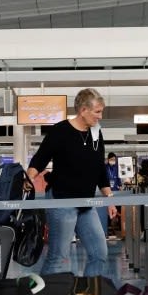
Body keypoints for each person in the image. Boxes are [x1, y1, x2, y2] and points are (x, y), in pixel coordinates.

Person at [25, 88, 118, 277]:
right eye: (97, 112)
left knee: (99, 253)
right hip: (62, 201)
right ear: (83, 110)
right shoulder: (60, 131)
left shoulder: (96, 134)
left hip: (86, 204)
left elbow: (99, 168)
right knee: (58, 257)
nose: (100, 117)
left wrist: (109, 198)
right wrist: (29, 177)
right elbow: (41, 158)